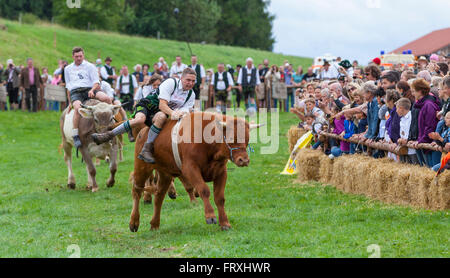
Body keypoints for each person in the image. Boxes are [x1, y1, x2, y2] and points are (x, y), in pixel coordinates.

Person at [91, 67, 196, 164]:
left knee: (162, 117)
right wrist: (173, 113)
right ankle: (108, 135)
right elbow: (162, 104)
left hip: (160, 113)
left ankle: (147, 149)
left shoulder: (191, 95)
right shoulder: (171, 83)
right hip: (147, 105)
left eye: (193, 81)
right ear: (181, 78)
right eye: (188, 80)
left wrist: (181, 114)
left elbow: (184, 112)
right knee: (140, 120)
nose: (190, 83)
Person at [64, 47, 112, 148]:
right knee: (78, 108)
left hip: (90, 89)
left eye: (80, 56)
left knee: (107, 98)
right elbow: (68, 86)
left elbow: (96, 81)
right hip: (76, 92)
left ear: (83, 56)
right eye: (76, 56)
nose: (79, 58)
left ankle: (111, 124)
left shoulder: (90, 66)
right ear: (73, 57)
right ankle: (76, 134)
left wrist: (92, 90)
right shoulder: (67, 69)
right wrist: (69, 102)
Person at [409, 78, 441, 167]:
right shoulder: (424, 105)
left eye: (414, 91)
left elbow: (430, 126)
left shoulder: (428, 105)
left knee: (433, 169)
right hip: (427, 142)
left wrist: (421, 140)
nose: (412, 94)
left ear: (420, 91)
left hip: (431, 143)